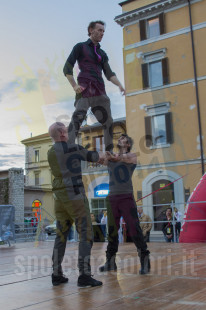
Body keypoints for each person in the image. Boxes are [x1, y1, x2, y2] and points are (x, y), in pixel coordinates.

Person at [48, 122, 105, 287]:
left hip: (59, 196)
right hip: (74, 194)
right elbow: (95, 157)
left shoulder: (50, 152)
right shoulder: (72, 148)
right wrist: (108, 155)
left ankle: (56, 274)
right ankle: (85, 275)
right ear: (63, 134)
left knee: (61, 234)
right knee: (86, 233)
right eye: (66, 130)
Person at [63, 20, 125, 152]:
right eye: (99, 30)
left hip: (99, 91)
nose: (102, 33)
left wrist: (119, 85)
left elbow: (109, 73)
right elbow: (67, 67)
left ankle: (108, 152)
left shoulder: (102, 54)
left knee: (108, 122)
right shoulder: (80, 47)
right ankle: (67, 147)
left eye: (103, 31)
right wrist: (74, 86)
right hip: (84, 89)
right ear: (91, 30)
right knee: (78, 117)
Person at [99, 134, 150, 274]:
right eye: (119, 139)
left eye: (124, 139)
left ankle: (145, 261)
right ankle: (110, 262)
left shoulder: (131, 156)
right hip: (112, 198)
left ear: (127, 144)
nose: (120, 140)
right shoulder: (111, 159)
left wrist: (112, 156)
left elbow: (122, 158)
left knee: (134, 229)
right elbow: (100, 160)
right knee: (112, 231)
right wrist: (104, 155)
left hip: (126, 197)